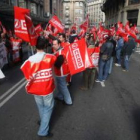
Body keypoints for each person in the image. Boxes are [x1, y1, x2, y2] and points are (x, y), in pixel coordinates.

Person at [21, 36, 56, 138]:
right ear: (45, 46)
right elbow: (56, 59)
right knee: (48, 108)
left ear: (35, 46)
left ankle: (43, 122)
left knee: (41, 107)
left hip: (36, 89)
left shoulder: (30, 60)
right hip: (47, 89)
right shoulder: (50, 57)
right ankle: (43, 131)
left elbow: (25, 71)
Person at [52, 39, 72, 105]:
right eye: (53, 44)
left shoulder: (60, 53)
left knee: (63, 87)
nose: (53, 46)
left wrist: (52, 58)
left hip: (61, 73)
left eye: (55, 44)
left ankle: (69, 101)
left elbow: (57, 64)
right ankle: (60, 96)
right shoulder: (61, 50)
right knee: (60, 85)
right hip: (63, 72)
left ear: (59, 44)